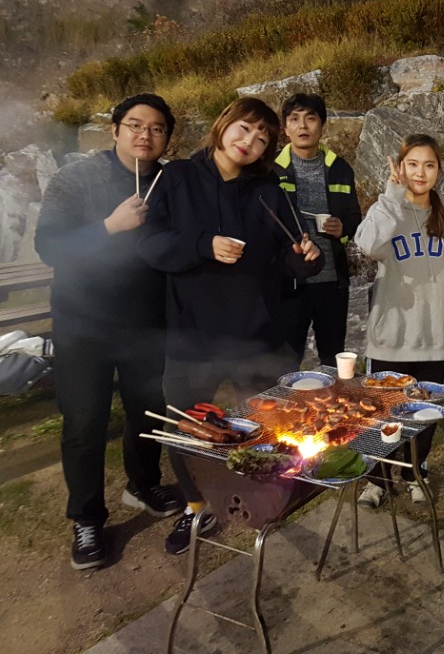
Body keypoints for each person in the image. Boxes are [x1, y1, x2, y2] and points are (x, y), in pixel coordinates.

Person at [138, 97, 322, 555]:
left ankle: (266, 497)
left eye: (262, 137)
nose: (250, 141)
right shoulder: (177, 177)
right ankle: (196, 505)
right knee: (187, 428)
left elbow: (286, 259)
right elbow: (150, 244)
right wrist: (204, 245)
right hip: (192, 333)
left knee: (268, 426)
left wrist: (305, 260)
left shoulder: (268, 191)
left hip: (254, 333)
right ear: (224, 124)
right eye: (244, 128)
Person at [35, 93, 181, 570]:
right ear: (115, 129)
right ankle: (87, 518)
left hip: (146, 323)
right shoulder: (76, 178)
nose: (145, 135)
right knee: (84, 423)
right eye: (135, 125)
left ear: (166, 138)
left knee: (147, 412)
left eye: (157, 128)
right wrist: (109, 226)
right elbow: (48, 246)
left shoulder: (168, 183)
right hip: (83, 324)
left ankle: (143, 484)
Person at [353, 134, 444, 507]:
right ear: (400, 167)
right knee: (382, 413)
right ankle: (377, 480)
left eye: (429, 165)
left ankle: (416, 471)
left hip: (434, 335)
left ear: (438, 171)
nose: (420, 172)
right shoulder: (388, 210)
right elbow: (367, 244)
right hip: (392, 336)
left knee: (424, 414)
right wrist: (391, 196)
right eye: (412, 164)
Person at [274, 93, 361, 367]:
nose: (303, 126)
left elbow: (354, 216)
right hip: (288, 282)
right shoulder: (271, 170)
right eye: (295, 119)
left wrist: (342, 228)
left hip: (331, 282)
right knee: (285, 362)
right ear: (285, 128)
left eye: (310, 119)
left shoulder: (339, 168)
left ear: (322, 126)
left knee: (332, 361)